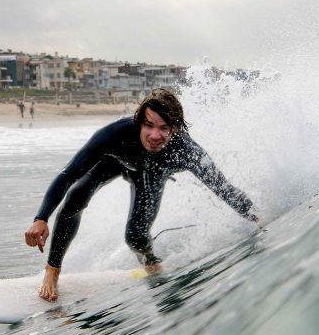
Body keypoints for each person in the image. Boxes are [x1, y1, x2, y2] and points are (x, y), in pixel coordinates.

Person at [24, 88, 258, 301]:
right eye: (149, 125)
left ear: (175, 128)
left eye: (164, 128)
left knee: (135, 237)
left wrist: (258, 218)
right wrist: (41, 218)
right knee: (75, 197)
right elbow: (68, 174)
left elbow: (223, 188)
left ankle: (151, 263)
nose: (155, 135)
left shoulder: (186, 150)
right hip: (114, 162)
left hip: (153, 174)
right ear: (139, 122)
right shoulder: (116, 134)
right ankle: (52, 270)